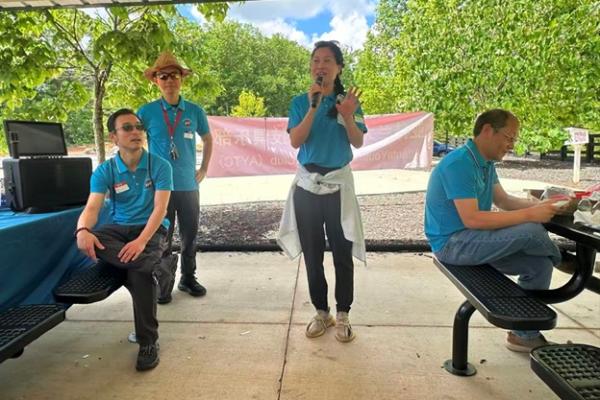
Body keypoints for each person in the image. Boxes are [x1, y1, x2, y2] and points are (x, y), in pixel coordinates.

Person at [424, 109, 565, 352]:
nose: (511, 145)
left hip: (472, 240)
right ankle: (565, 261)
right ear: (488, 130)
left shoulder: (485, 163)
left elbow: (504, 201)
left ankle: (524, 335)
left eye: (514, 139)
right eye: (509, 137)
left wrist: (541, 206)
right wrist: (531, 215)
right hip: (452, 244)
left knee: (539, 265)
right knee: (531, 231)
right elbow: (472, 219)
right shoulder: (459, 163)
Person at [278, 40, 368, 343]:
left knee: (342, 252)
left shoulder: (348, 101)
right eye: (316, 60)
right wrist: (313, 107)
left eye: (328, 60)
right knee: (312, 254)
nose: (321, 66)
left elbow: (357, 142)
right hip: (307, 186)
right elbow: (296, 141)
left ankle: (343, 314)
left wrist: (347, 115)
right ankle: (321, 311)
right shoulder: (300, 102)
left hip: (338, 186)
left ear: (338, 67)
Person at [75, 108, 176, 371]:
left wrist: (141, 241)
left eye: (139, 127)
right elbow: (92, 208)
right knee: (94, 237)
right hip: (118, 230)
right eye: (127, 128)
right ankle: (156, 264)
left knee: (138, 275)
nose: (136, 132)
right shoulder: (105, 170)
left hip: (151, 229)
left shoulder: (160, 165)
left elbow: (160, 210)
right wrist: (82, 230)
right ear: (114, 137)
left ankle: (148, 342)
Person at [138, 51, 213, 301]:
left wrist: (204, 169)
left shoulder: (194, 111)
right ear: (155, 81)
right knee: (163, 237)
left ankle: (188, 278)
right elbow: (135, 142)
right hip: (161, 189)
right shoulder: (146, 112)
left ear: (181, 79)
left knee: (190, 235)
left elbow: (208, 139)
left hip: (189, 185)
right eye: (163, 76)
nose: (169, 80)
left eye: (174, 75)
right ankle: (164, 283)